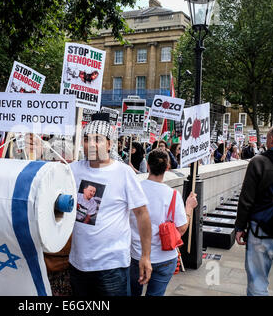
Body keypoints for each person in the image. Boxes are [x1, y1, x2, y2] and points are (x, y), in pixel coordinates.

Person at [68, 113, 152, 296]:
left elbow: (142, 214)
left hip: (111, 267)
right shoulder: (72, 170)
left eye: (97, 139)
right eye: (86, 139)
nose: (91, 144)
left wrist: (145, 256)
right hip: (78, 263)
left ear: (109, 143)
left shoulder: (123, 173)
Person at [130, 149, 198, 296]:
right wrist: (189, 207)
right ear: (167, 168)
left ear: (147, 165)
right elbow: (181, 228)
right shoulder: (172, 194)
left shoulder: (135, 189)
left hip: (136, 255)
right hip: (164, 258)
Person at [235, 124, 273, 296]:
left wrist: (239, 227)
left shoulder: (259, 161)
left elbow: (246, 199)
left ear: (272, 139)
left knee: (257, 282)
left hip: (260, 232)